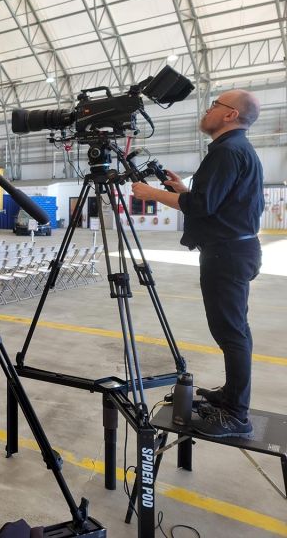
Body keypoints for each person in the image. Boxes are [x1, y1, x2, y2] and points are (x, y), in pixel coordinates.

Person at [131, 89, 264, 438]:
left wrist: (152, 194)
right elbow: (211, 203)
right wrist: (180, 191)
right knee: (234, 330)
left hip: (227, 253)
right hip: (234, 250)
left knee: (231, 333)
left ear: (231, 115)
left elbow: (202, 207)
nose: (208, 110)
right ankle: (232, 396)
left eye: (215, 105)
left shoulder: (228, 151)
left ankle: (236, 413)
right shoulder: (234, 150)